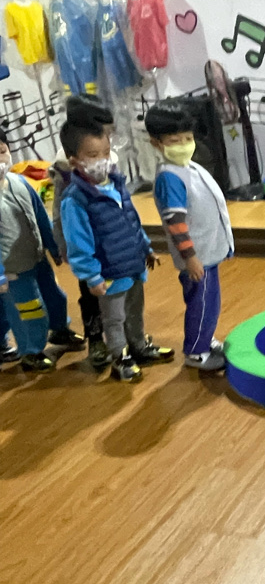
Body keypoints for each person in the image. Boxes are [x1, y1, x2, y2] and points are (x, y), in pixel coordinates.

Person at [59, 119, 174, 383]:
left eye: (106, 152)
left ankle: (139, 347)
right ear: (75, 160)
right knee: (114, 319)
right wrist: (91, 275)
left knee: (134, 311)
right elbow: (78, 244)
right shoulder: (75, 199)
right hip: (109, 271)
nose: (103, 160)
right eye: (93, 155)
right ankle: (120, 358)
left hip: (132, 264)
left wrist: (146, 247)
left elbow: (132, 221)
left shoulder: (117, 183)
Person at [145, 104, 233, 372]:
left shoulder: (187, 167)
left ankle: (204, 339)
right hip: (197, 257)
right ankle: (196, 352)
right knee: (201, 304)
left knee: (209, 303)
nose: (184, 145)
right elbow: (176, 223)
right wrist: (191, 258)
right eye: (175, 141)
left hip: (206, 252)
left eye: (188, 138)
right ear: (156, 143)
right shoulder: (169, 177)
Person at [0, 126, 85, 372]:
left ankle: (59, 329)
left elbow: (40, 216)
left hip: (37, 258)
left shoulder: (19, 182)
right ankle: (31, 350)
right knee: (29, 309)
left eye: (2, 151)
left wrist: (54, 245)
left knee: (54, 296)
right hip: (13, 270)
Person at [50, 95, 114, 370]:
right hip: (84, 246)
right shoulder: (68, 168)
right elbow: (59, 212)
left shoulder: (106, 157)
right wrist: (63, 244)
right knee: (90, 293)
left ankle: (121, 335)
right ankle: (96, 338)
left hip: (110, 239)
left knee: (116, 290)